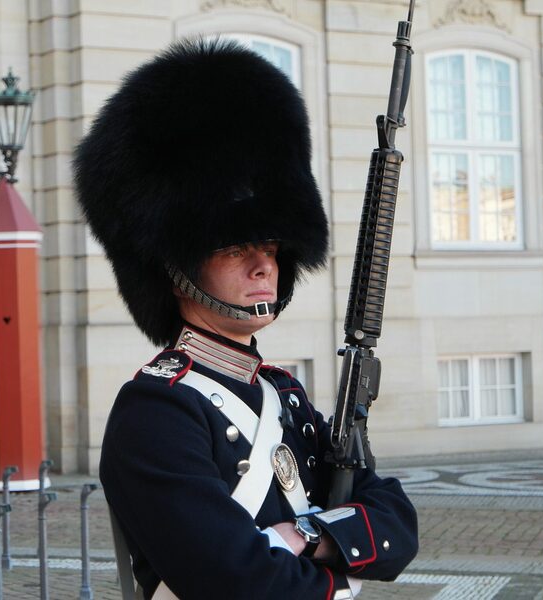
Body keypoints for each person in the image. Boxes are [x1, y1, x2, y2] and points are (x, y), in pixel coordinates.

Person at [73, 39, 418, 599]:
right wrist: (333, 572)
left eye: (271, 244)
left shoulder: (282, 393)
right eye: (235, 248)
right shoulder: (157, 411)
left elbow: (396, 523)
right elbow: (235, 578)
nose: (264, 264)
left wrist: (306, 535)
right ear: (178, 265)